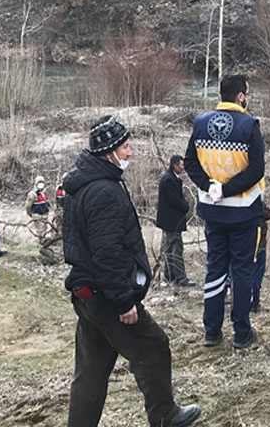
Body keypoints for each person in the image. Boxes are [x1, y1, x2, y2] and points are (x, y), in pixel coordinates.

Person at [62, 116, 201, 427]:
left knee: (91, 372)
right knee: (153, 347)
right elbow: (107, 254)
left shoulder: (81, 184)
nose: (130, 152)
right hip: (107, 295)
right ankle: (165, 416)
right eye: (125, 146)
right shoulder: (102, 192)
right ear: (108, 151)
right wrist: (124, 301)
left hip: (87, 294)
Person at [184, 75, 266, 350]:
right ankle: (242, 332)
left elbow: (190, 164)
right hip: (244, 213)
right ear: (241, 96)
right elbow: (256, 170)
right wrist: (228, 189)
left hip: (213, 211)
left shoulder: (200, 123)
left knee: (214, 269)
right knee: (242, 271)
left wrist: (210, 187)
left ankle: (212, 330)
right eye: (248, 92)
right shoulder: (249, 125)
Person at [155, 156, 192, 287]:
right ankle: (180, 278)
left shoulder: (170, 178)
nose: (183, 167)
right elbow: (175, 200)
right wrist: (186, 206)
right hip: (172, 221)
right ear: (175, 166)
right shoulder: (169, 180)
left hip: (170, 221)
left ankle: (169, 275)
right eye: (181, 165)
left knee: (170, 248)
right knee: (176, 249)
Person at [251, 204, 270, 313]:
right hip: (258, 247)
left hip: (247, 247)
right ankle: (254, 304)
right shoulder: (257, 204)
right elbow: (269, 214)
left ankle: (248, 303)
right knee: (256, 276)